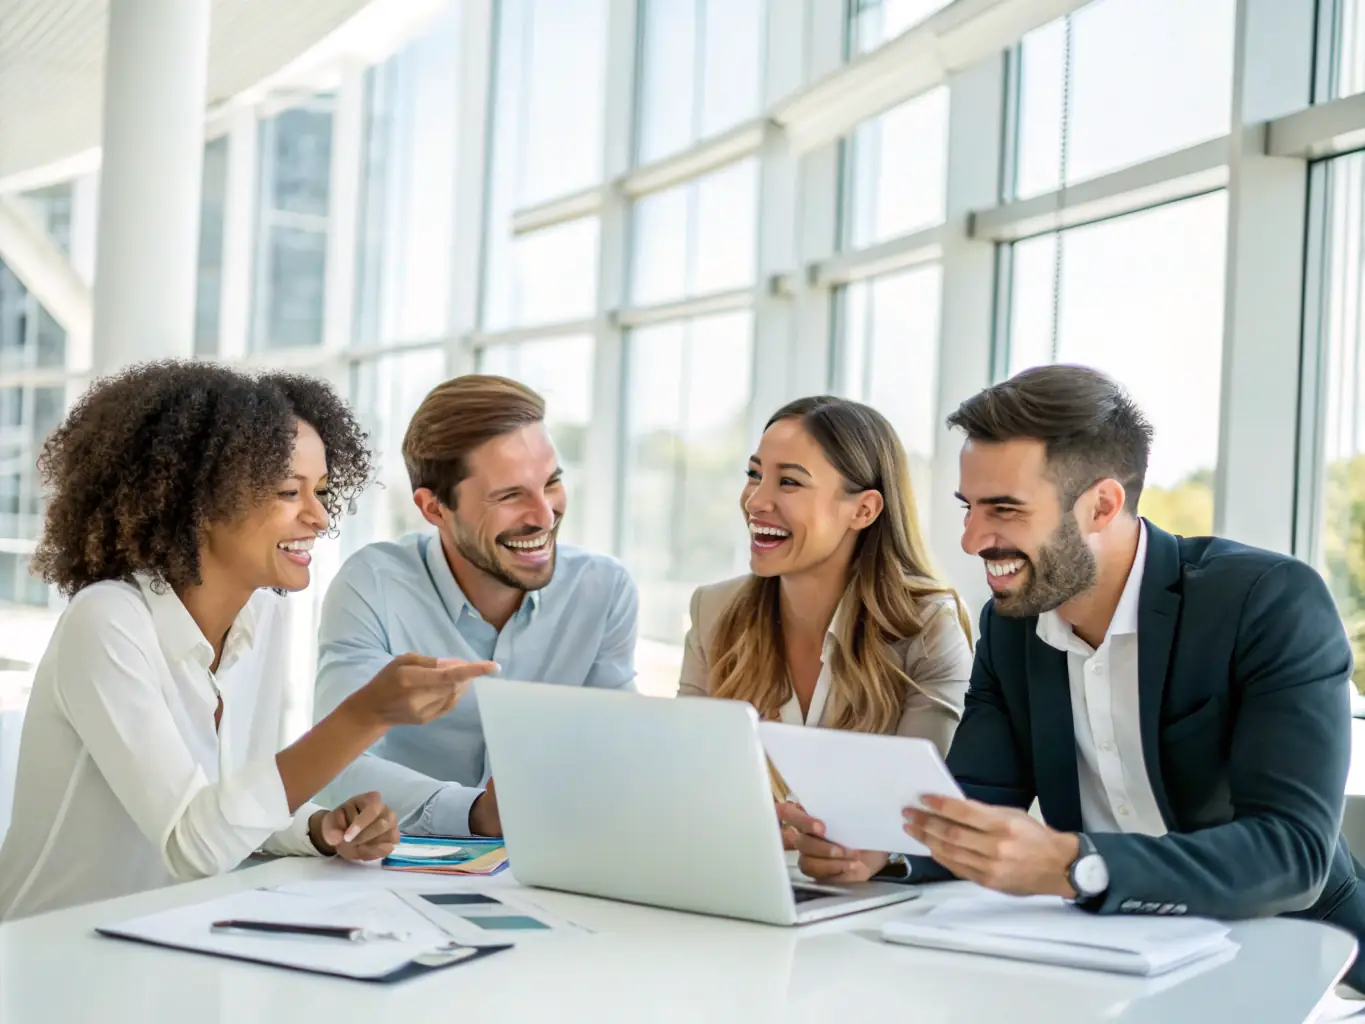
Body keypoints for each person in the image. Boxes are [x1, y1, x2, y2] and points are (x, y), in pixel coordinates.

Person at [783, 364, 1365, 988]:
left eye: (1004, 509)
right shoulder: (1009, 627)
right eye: (969, 507)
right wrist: (888, 852)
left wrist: (1076, 864)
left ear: (1102, 504)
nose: (973, 537)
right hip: (1107, 954)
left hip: (1299, 946)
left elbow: (1292, 852)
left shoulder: (1266, 602)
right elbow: (978, 796)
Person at [0, 362, 496, 921]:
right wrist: (365, 715)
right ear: (198, 501)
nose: (317, 517)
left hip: (171, 942)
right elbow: (193, 842)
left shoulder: (262, 617)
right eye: (289, 491)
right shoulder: (108, 622)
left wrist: (318, 827)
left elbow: (231, 801)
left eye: (323, 492)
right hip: (50, 958)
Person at [314, 374, 638, 838]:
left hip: (558, 864)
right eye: (509, 496)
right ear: (434, 509)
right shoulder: (374, 586)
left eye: (551, 483)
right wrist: (474, 813)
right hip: (397, 871)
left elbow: (622, 747)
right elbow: (335, 763)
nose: (545, 516)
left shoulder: (603, 591)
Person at [680, 396, 973, 842]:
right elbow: (687, 782)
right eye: (754, 475)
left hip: (878, 892)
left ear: (864, 510)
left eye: (789, 483)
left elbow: (919, 814)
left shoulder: (927, 627)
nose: (756, 501)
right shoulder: (714, 611)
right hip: (743, 873)